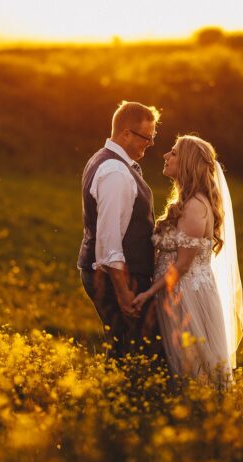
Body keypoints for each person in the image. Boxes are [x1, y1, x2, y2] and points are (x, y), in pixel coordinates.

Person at [132, 135, 243, 385]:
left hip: (188, 296)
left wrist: (148, 293)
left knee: (194, 369)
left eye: (173, 153)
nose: (165, 156)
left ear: (188, 163)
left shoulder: (195, 206)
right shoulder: (185, 202)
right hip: (175, 292)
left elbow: (182, 265)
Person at [77, 101, 163, 359]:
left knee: (125, 349)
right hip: (118, 277)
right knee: (130, 351)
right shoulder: (115, 170)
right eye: (146, 138)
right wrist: (123, 290)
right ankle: (121, 396)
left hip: (115, 275)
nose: (149, 144)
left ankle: (121, 395)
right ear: (126, 133)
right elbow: (110, 237)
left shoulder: (108, 161)